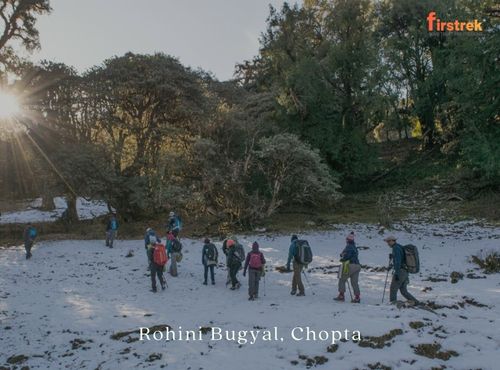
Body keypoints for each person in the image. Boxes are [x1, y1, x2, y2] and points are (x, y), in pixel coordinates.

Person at [384, 236, 419, 305]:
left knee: (393, 289)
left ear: (392, 241)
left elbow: (398, 262)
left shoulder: (396, 248)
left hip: (400, 271)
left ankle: (393, 304)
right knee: (403, 290)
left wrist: (396, 273)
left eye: (388, 241)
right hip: (405, 271)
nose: (387, 243)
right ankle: (417, 303)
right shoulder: (400, 247)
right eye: (387, 242)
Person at [335, 232, 361, 303]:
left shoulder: (348, 246)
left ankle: (341, 295)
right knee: (354, 282)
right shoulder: (354, 247)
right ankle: (357, 297)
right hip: (357, 266)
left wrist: (342, 258)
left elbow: (347, 256)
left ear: (348, 240)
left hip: (350, 265)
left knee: (342, 279)